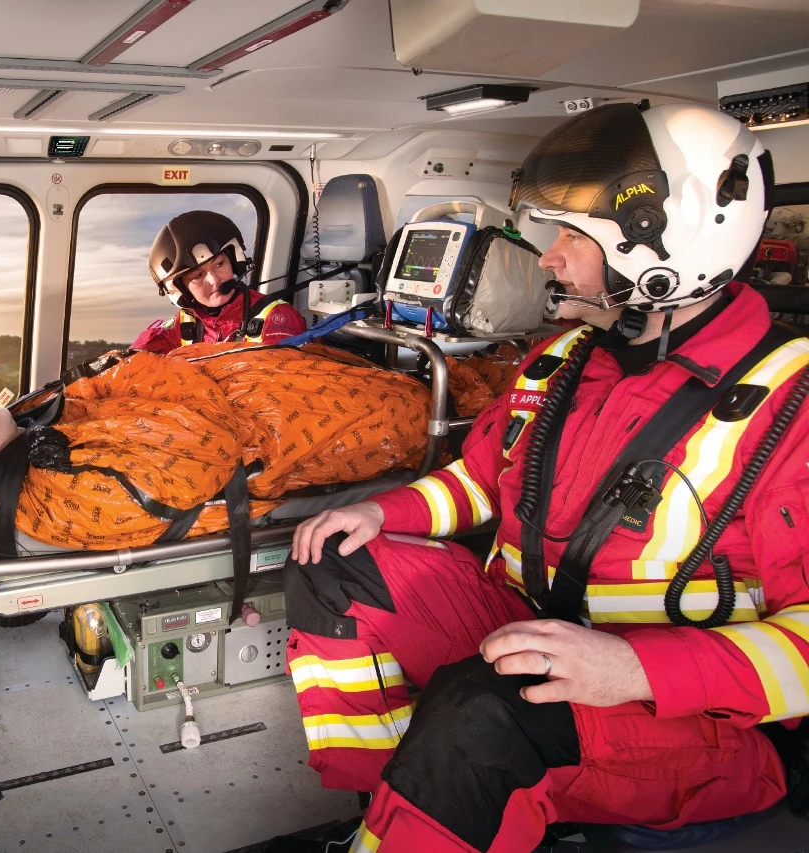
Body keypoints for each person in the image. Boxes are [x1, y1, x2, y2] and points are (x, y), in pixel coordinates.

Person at [280, 102, 809, 852]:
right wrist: (382, 514)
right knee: (328, 562)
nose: (549, 258)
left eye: (573, 237)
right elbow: (483, 481)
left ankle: (438, 795)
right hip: (533, 627)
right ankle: (397, 800)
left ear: (671, 244)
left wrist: (630, 667)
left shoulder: (792, 404)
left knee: (483, 714)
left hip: (698, 720)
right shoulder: (562, 360)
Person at [131, 210, 307, 352]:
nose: (214, 280)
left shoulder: (277, 318)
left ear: (234, 261)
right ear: (182, 290)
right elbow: (134, 365)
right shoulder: (184, 323)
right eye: (198, 276)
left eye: (219, 264)